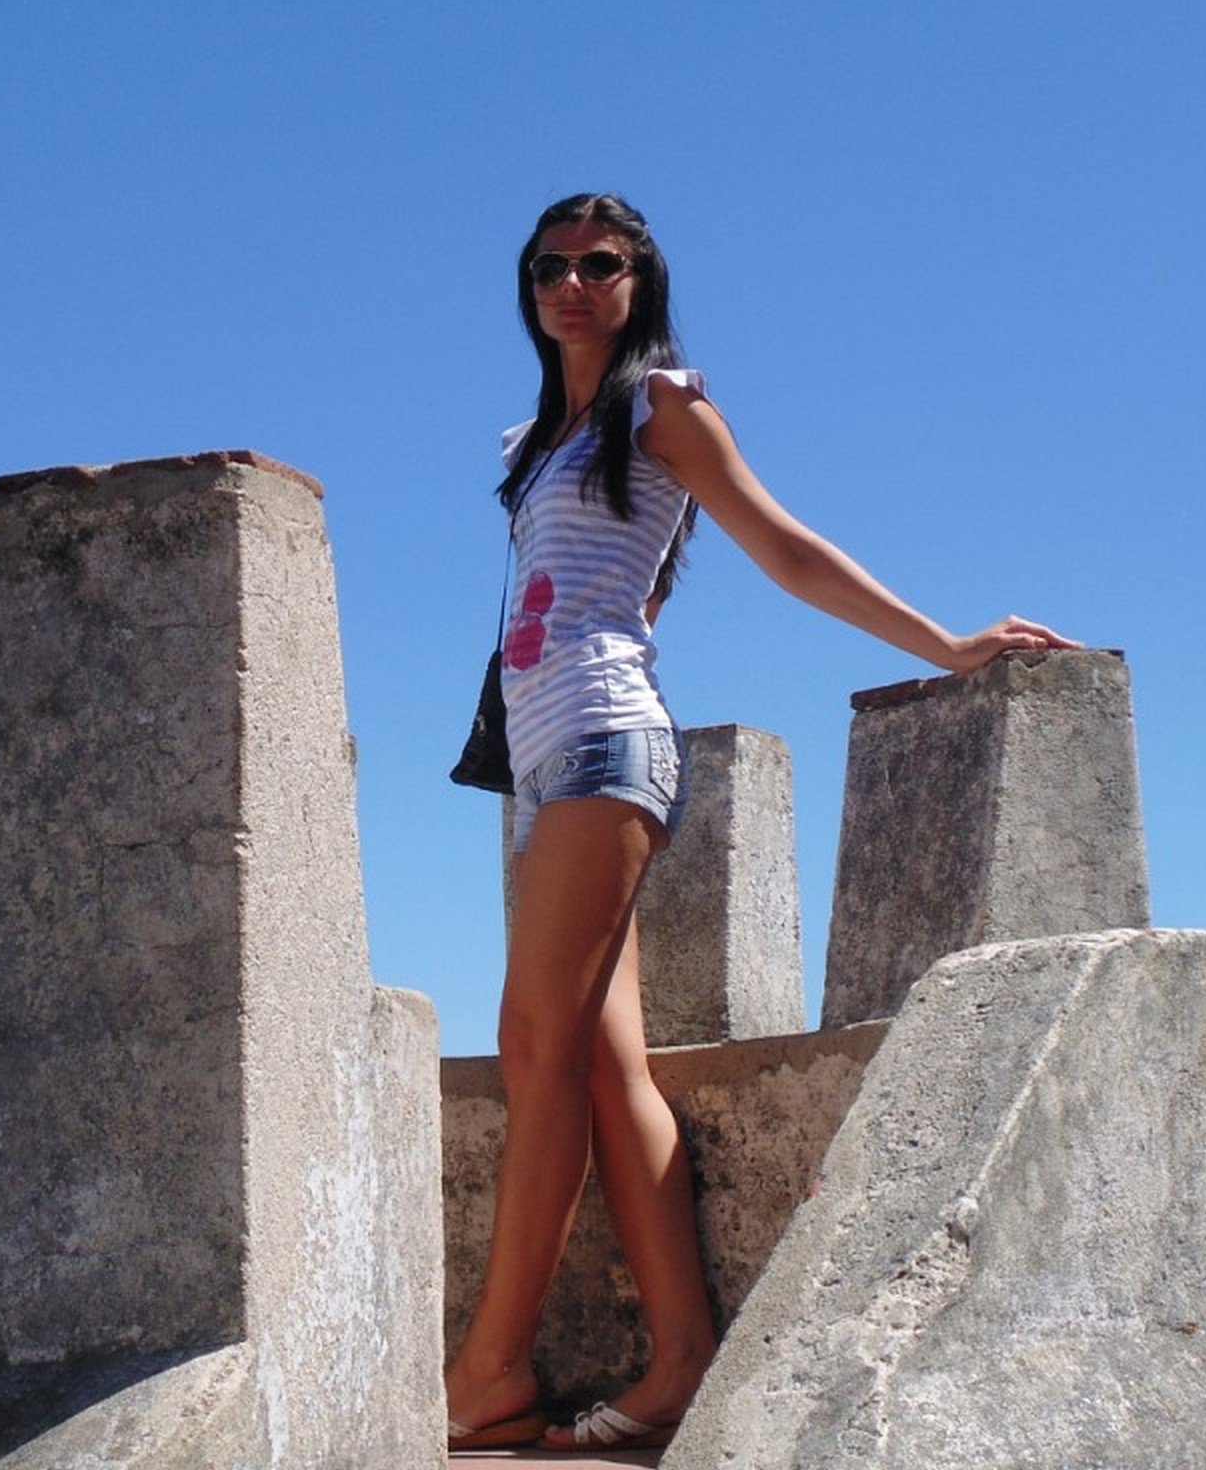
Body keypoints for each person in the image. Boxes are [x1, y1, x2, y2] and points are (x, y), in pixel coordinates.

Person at [442, 193, 1076, 1455]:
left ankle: (490, 1372)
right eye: (549, 265)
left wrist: (944, 644)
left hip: (606, 745)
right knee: (602, 1066)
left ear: (639, 281)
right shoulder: (541, 439)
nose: (571, 283)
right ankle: (681, 1360)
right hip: (544, 761)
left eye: (599, 263)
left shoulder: (661, 405)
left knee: (534, 1048)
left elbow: (780, 547)